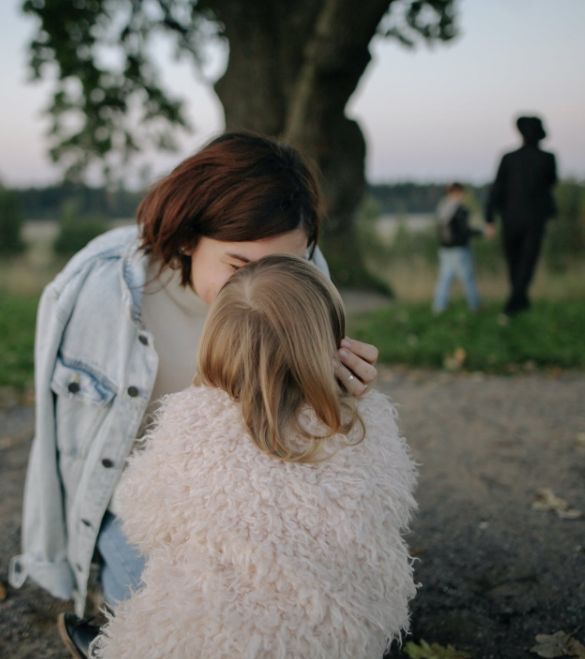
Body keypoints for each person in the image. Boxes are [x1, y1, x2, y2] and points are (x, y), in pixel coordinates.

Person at [6, 133, 382, 657]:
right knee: (179, 618)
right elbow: (61, 444)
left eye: (288, 266)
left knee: (314, 613)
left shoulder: (310, 277)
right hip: (148, 502)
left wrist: (344, 393)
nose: (268, 287)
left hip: (263, 496)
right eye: (238, 265)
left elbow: (314, 435)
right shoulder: (99, 292)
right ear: (186, 239)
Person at [91, 254, 418, 659]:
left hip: (212, 643)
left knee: (118, 537)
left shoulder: (192, 417)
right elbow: (393, 509)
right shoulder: (362, 421)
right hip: (342, 637)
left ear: (216, 339)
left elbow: (145, 520)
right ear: (332, 343)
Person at [485, 115, 558, 315]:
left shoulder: (508, 158)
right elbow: (551, 183)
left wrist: (489, 217)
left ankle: (516, 301)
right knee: (527, 260)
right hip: (535, 217)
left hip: (511, 217)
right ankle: (518, 300)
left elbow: (496, 189)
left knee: (515, 260)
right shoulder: (548, 158)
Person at [432, 182, 482, 314]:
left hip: (445, 248)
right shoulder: (458, 210)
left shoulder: (442, 207)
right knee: (468, 278)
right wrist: (481, 232)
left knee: (444, 279)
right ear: (458, 192)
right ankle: (475, 304)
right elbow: (464, 230)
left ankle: (439, 306)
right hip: (459, 249)